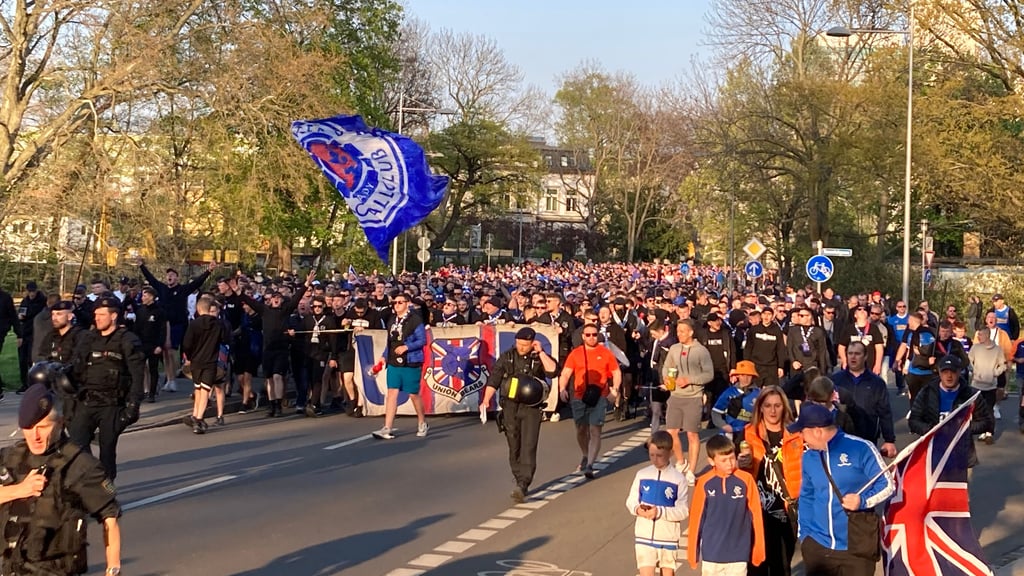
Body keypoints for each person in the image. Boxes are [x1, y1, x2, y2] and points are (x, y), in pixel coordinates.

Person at [0, 377, 122, 576]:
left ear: (60, 423)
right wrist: (18, 490)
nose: (35, 436)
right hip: (12, 568)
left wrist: (113, 569)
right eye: (29, 428)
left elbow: (109, 518)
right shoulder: (11, 458)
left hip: (56, 569)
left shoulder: (80, 465)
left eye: (42, 427)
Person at [790, 403, 895, 576]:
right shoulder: (808, 457)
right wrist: (805, 536)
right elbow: (807, 496)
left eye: (802, 432)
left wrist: (862, 501)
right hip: (818, 547)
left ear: (817, 431)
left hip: (856, 547)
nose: (801, 438)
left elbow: (888, 484)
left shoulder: (861, 448)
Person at [68, 297, 145, 480]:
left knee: (107, 451)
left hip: (112, 404)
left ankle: (107, 490)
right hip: (87, 400)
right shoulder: (88, 338)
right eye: (95, 315)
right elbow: (76, 368)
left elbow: (137, 376)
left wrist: (133, 407)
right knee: (76, 445)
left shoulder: (127, 340)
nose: (97, 318)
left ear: (114, 316)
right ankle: (89, 481)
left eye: (102, 315)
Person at [481, 327, 558, 502]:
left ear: (532, 343)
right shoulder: (507, 356)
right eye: (519, 344)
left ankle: (523, 483)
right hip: (510, 406)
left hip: (531, 407)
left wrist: (541, 352)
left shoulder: (538, 356)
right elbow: (495, 378)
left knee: (529, 445)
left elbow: (553, 371)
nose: (522, 347)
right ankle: (518, 478)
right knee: (513, 444)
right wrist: (486, 400)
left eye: (525, 345)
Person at [739, 386, 802, 576]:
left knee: (782, 566)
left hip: (786, 509)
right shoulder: (748, 433)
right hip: (755, 511)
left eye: (777, 405)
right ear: (760, 408)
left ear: (785, 407)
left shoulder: (796, 434)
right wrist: (738, 463)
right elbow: (727, 467)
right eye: (767, 406)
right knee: (756, 566)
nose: (773, 411)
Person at [687, 434, 765, 575]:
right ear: (711, 461)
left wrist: (758, 550)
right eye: (723, 460)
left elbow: (756, 516)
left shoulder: (746, 480)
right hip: (712, 554)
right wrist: (693, 553)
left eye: (732, 458)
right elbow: (696, 519)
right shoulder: (704, 482)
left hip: (738, 554)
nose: (729, 464)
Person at [139, 260, 215, 393]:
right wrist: (141, 266)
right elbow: (150, 278)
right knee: (163, 353)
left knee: (170, 351)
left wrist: (209, 270)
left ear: (177, 278)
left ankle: (172, 380)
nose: (170, 277)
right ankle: (168, 378)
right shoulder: (161, 288)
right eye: (168, 275)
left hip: (177, 324)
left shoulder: (182, 290)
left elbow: (197, 283)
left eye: (173, 275)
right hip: (163, 324)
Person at [558, 324, 622, 479]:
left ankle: (590, 464)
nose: (591, 337)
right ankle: (586, 454)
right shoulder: (576, 353)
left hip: (599, 395)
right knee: (581, 429)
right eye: (588, 335)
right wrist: (562, 389)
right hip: (579, 396)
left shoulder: (605, 353)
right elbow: (566, 373)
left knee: (595, 430)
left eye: (594, 334)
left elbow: (616, 371)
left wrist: (615, 389)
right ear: (583, 336)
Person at [625, 430, 690, 576]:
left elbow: (683, 510)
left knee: (667, 573)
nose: (655, 459)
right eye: (651, 455)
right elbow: (631, 500)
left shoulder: (678, 479)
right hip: (644, 535)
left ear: (671, 453)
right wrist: (637, 509)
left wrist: (660, 512)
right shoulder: (642, 474)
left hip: (668, 537)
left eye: (659, 456)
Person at [909, 355, 992, 466]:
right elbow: (914, 421)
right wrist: (932, 430)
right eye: (945, 372)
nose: (949, 376)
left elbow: (986, 422)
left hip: (963, 456)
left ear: (959, 372)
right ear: (939, 372)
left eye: (952, 372)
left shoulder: (972, 395)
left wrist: (963, 429)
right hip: (933, 454)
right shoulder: (926, 393)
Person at [661, 319, 714, 486]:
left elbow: (708, 374)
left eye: (683, 331)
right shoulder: (674, 349)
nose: (679, 334)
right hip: (675, 395)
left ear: (691, 332)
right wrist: (667, 378)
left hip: (693, 396)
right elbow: (666, 366)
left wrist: (689, 380)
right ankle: (681, 461)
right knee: (672, 432)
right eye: (678, 331)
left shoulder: (701, 351)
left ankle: (691, 470)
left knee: (692, 434)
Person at [372, 292, 429, 439]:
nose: (397, 305)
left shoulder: (415, 320)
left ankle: (422, 422)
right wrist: (384, 356)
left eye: (400, 302)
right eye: (395, 303)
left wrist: (407, 347)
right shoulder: (392, 320)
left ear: (407, 303)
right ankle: (387, 427)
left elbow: (422, 340)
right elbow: (390, 342)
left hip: (411, 361)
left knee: (413, 394)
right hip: (393, 361)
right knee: (392, 393)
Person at [831, 341, 897, 457]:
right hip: (840, 438)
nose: (853, 357)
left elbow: (884, 412)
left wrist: (889, 440)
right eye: (850, 353)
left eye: (857, 353)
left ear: (865, 356)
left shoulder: (877, 383)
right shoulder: (835, 380)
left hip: (867, 438)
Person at [181, 295, 231, 433]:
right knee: (205, 390)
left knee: (198, 389)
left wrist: (189, 357)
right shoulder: (218, 324)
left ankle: (196, 415)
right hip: (211, 361)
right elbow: (225, 339)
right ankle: (198, 419)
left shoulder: (194, 324)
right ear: (210, 309)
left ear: (198, 309)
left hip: (196, 361)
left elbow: (186, 344)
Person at [968, 329, 1006, 443]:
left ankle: (989, 433)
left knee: (989, 409)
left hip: (990, 385)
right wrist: (974, 371)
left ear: (987, 335)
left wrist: (995, 373)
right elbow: (969, 361)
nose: (979, 336)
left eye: (981, 334)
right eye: (978, 334)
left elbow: (1003, 365)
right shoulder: (975, 348)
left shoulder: (998, 349)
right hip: (976, 384)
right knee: (977, 411)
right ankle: (982, 431)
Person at [132, 287, 168, 402]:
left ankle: (152, 393)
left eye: (145, 296)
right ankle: (141, 391)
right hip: (141, 344)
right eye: (142, 296)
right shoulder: (140, 310)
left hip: (154, 344)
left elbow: (163, 330)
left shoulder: (159, 311)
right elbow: (136, 328)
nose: (143, 298)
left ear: (151, 297)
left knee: (153, 369)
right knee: (140, 369)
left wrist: (160, 345)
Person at [711, 360, 761, 439]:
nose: (745, 378)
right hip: (731, 432)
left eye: (749, 375)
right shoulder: (729, 392)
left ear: (753, 377)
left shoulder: (759, 394)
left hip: (751, 433)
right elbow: (716, 412)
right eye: (742, 375)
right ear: (737, 376)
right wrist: (723, 426)